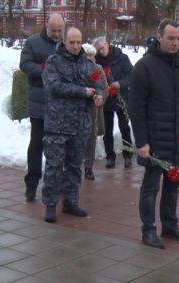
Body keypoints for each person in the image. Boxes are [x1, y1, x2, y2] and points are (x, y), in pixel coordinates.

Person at [129, 18, 179, 250]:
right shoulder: (144, 67)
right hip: (154, 140)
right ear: (159, 37)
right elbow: (136, 108)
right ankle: (148, 229)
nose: (175, 43)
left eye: (178, 38)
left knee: (174, 185)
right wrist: (141, 141)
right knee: (151, 187)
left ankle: (169, 224)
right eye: (170, 38)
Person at [42, 27, 104, 223]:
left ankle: (71, 201)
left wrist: (99, 95)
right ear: (64, 42)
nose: (76, 46)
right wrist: (82, 92)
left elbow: (98, 82)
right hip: (57, 125)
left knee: (75, 166)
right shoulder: (54, 62)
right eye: (72, 42)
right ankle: (50, 204)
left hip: (80, 125)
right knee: (54, 166)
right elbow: (53, 86)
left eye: (78, 42)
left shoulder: (88, 64)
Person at [19, 13, 65, 202]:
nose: (56, 34)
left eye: (59, 30)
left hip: (61, 103)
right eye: (53, 30)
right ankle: (32, 182)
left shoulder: (67, 44)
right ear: (46, 27)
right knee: (37, 143)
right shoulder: (33, 42)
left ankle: (57, 181)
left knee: (60, 144)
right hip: (39, 101)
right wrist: (44, 70)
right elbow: (24, 64)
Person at [93, 36, 134, 169]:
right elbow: (93, 78)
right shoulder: (96, 62)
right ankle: (110, 156)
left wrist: (120, 84)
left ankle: (128, 156)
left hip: (122, 98)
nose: (101, 51)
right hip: (106, 100)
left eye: (102, 48)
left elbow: (131, 75)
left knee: (124, 128)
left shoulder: (122, 58)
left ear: (108, 45)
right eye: (98, 49)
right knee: (107, 130)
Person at [82, 43, 109, 180]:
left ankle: (88, 167)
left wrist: (100, 97)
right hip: (78, 108)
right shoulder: (76, 69)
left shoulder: (97, 70)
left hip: (93, 109)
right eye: (87, 55)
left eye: (92, 56)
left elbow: (104, 88)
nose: (89, 59)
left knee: (91, 138)